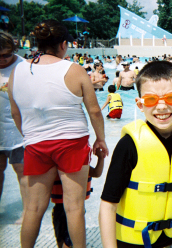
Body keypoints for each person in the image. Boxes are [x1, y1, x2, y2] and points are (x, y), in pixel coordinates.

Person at [8, 20, 108, 248]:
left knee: (33, 207)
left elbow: (16, 112)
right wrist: (100, 138)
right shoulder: (73, 70)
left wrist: (30, 136)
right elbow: (94, 111)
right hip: (71, 144)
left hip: (35, 144)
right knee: (73, 208)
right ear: (64, 44)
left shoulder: (19, 70)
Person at [99, 61, 172, 248]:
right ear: (140, 104)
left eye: (171, 98)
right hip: (132, 243)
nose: (161, 107)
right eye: (151, 100)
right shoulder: (129, 145)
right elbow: (108, 205)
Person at [51, 147, 105, 248]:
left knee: (64, 239)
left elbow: (97, 173)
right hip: (65, 209)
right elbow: (96, 173)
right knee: (64, 239)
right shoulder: (74, 165)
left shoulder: (78, 166)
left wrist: (101, 158)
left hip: (67, 209)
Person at [0, 31, 26, 223]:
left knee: (22, 170)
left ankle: (28, 211)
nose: (3, 59)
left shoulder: (23, 66)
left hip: (20, 129)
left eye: (7, 54)